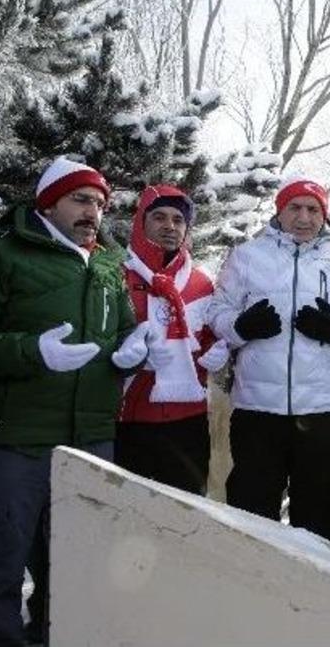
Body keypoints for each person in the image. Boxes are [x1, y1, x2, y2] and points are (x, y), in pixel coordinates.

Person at [0, 156, 137, 646]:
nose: (93, 212)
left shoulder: (108, 266)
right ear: (48, 203)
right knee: (0, 564)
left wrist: (134, 352)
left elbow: (124, 332)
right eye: (80, 200)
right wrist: (31, 351)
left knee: (75, 566)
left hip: (91, 440)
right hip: (16, 439)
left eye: (100, 203)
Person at [207, 175, 330, 544]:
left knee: (318, 518)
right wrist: (240, 327)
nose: (304, 217)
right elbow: (217, 312)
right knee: (251, 512)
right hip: (258, 409)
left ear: (324, 215)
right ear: (280, 212)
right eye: (295, 208)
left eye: (313, 209)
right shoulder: (247, 256)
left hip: (323, 411)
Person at [116, 184, 228, 495]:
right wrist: (126, 355)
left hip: (187, 420)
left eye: (178, 220)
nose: (170, 226)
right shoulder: (117, 275)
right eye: (159, 217)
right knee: (124, 511)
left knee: (184, 512)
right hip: (129, 417)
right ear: (141, 221)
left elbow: (208, 335)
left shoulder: (200, 282)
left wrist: (214, 352)